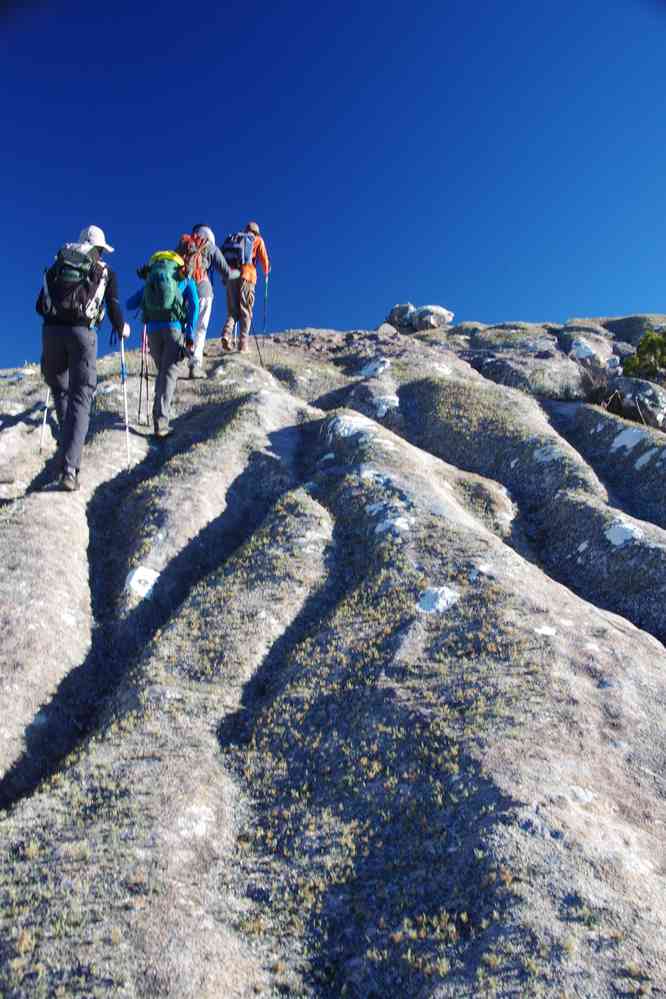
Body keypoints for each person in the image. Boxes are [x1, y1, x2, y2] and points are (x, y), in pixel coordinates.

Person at [37, 224, 129, 491]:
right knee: (81, 396)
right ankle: (69, 468)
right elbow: (112, 305)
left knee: (61, 389)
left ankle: (66, 442)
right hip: (82, 334)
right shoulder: (105, 271)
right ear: (99, 249)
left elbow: (38, 304)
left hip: (51, 332)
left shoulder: (59, 263)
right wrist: (121, 327)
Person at [127, 251, 199, 438]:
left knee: (163, 373)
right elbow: (195, 305)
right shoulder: (183, 278)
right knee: (169, 373)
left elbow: (129, 304)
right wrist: (190, 333)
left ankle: (158, 415)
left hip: (152, 332)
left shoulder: (151, 281)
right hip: (173, 328)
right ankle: (161, 423)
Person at [177, 225, 239, 378]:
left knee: (183, 326)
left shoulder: (183, 245)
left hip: (183, 290)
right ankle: (194, 365)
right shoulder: (210, 247)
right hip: (203, 289)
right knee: (200, 328)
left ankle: (175, 363)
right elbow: (227, 272)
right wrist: (239, 272)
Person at [220, 221, 270, 353]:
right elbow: (265, 261)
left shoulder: (235, 239)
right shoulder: (257, 240)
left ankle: (226, 334)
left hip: (231, 276)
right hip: (247, 275)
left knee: (233, 311)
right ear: (256, 231)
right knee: (246, 310)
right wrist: (266, 271)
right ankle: (243, 344)